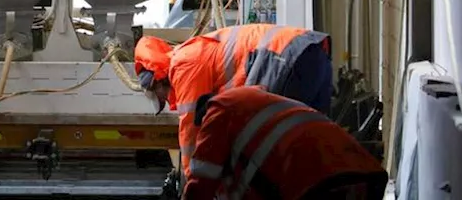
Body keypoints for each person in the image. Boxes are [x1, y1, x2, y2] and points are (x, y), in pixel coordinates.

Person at [134, 24, 332, 176]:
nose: (162, 99)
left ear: (158, 79)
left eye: (156, 93)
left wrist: (190, 178)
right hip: (312, 50)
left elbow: (191, 130)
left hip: (285, 60)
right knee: (314, 149)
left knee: (267, 152)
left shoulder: (182, 64)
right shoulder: (193, 51)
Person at [183, 86, 388, 200]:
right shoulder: (258, 103)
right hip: (365, 174)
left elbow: (201, 184)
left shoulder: (219, 109)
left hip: (313, 185)